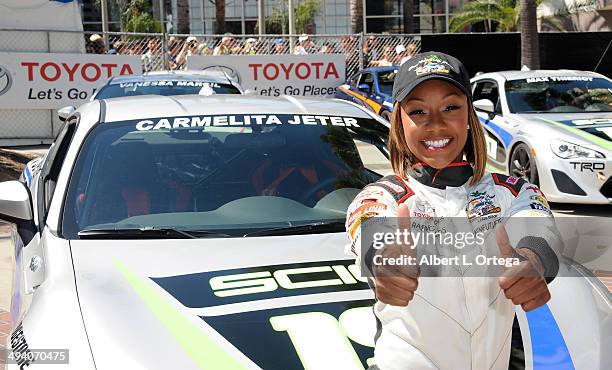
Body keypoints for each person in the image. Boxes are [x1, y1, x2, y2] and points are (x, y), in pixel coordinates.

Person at [345, 52, 561, 370]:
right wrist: (385, 262)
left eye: (450, 107)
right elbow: (369, 231)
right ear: (399, 121)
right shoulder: (382, 195)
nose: (436, 124)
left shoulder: (513, 190)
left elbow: (542, 231)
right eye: (418, 111)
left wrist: (532, 261)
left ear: (469, 116)